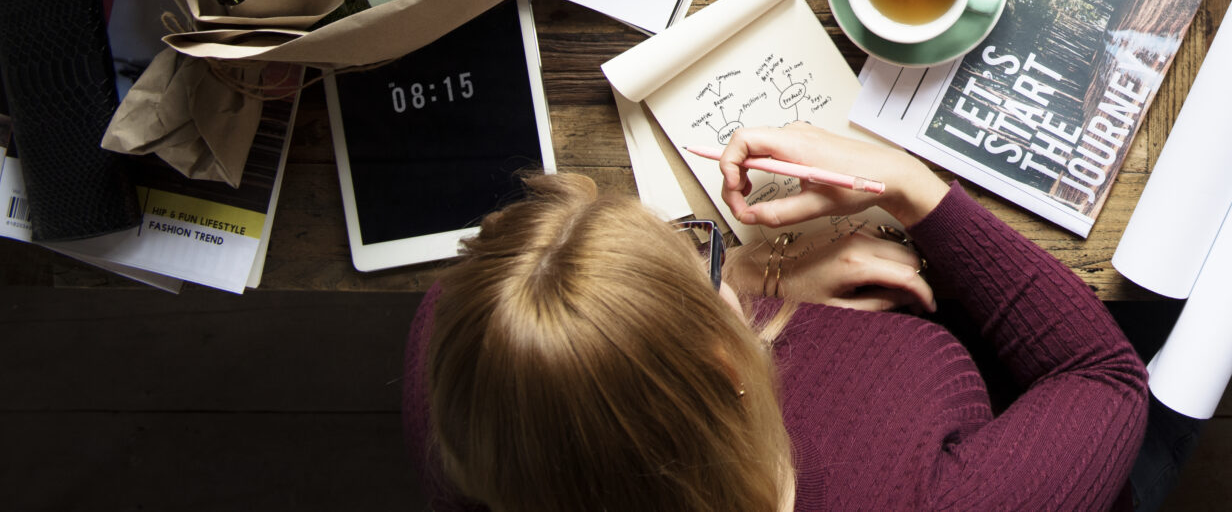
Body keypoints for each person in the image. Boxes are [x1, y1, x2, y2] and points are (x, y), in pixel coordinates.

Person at [406, 123, 1167, 512]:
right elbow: (1102, 377)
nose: (707, 252)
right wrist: (909, 185)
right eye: (699, 259)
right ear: (726, 369)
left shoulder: (473, 354)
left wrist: (751, 273)